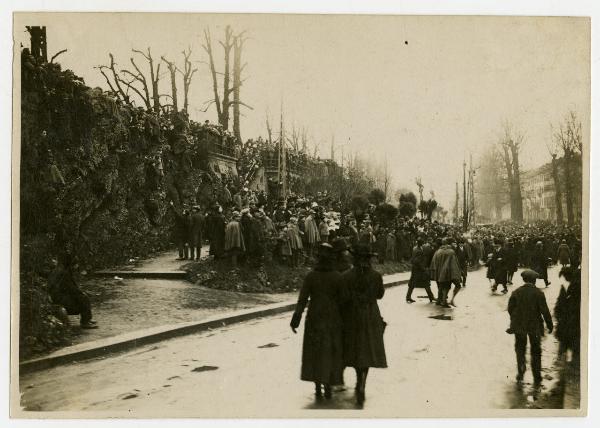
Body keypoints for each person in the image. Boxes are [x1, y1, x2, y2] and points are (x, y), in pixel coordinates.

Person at [290, 243, 344, 399]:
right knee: (330, 351)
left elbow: (302, 300)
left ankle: (317, 386)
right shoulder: (337, 276)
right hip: (333, 319)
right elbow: (344, 300)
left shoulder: (311, 276)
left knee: (315, 351)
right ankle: (328, 384)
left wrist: (296, 320)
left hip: (314, 318)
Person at [339, 243, 387, 405]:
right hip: (370, 315)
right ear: (369, 259)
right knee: (366, 349)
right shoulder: (376, 276)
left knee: (352, 348)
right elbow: (380, 295)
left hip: (351, 316)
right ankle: (361, 383)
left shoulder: (345, 276)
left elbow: (343, 298)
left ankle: (353, 379)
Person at [507, 269, 553, 383]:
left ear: (524, 279)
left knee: (520, 348)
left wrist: (515, 319)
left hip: (519, 325)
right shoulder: (538, 293)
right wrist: (549, 324)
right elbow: (545, 311)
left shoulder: (516, 292)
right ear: (534, 281)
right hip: (534, 326)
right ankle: (536, 375)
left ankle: (521, 370)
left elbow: (510, 308)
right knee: (536, 350)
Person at [48, 253, 98, 329]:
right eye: (75, 263)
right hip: (60, 298)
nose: (76, 266)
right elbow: (71, 289)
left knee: (82, 296)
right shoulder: (63, 273)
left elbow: (71, 287)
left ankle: (87, 318)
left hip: (57, 296)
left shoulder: (61, 269)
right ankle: (85, 322)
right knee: (84, 298)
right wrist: (81, 293)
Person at [430, 237, 462, 307]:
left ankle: (439, 300)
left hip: (438, 272)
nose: (454, 244)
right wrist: (457, 274)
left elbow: (433, 262)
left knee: (441, 286)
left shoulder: (438, 251)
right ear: (449, 243)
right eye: (453, 243)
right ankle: (445, 301)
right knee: (448, 286)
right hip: (447, 272)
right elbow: (454, 264)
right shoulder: (451, 252)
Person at [406, 238, 435, 303]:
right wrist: (423, 268)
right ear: (421, 243)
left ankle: (408, 297)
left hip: (415, 268)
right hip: (418, 269)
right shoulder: (419, 250)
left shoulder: (415, 248)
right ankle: (431, 297)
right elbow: (417, 261)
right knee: (425, 283)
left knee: (412, 284)